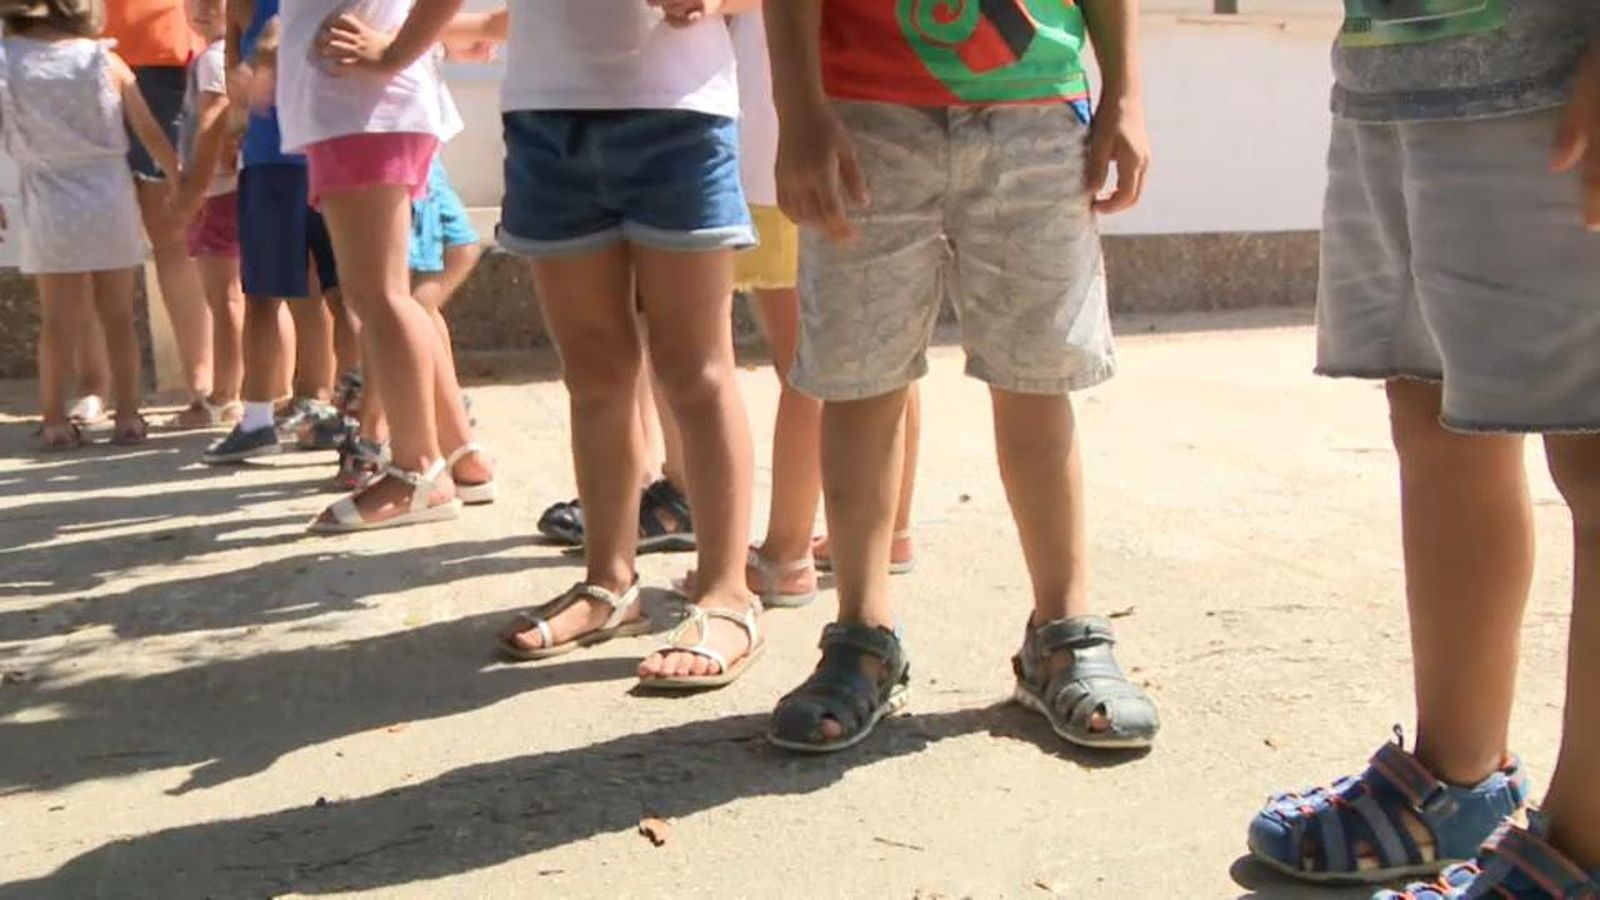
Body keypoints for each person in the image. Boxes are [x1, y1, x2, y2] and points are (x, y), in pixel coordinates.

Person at [1247, 6, 1600, 898]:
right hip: (1400, 69)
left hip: (1555, 74)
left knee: (1597, 459)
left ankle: (1591, 846)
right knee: (1434, 404)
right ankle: (1457, 776)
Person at [762, 0, 1158, 753]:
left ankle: (1064, 633)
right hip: (862, 115)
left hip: (1036, 112)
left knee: (1038, 375)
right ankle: (863, 634)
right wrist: (800, 112)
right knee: (859, 376)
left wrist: (1126, 95)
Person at [470, 0, 767, 690]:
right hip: (546, 115)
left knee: (696, 369)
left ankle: (727, 593)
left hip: (681, 115)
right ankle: (608, 586)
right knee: (594, 371)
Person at [290, 0, 493, 532]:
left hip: (365, 110)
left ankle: (416, 470)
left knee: (379, 297)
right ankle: (452, 459)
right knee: (381, 296)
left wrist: (397, 50)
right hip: (358, 108)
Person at [1, 0, 179, 449]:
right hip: (108, 193)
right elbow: (148, 130)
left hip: (47, 195)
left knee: (57, 320)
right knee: (118, 316)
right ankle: (129, 416)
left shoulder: (7, 60)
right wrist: (180, 180)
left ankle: (56, 419)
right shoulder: (104, 58)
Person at [202, 0, 344, 464]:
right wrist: (235, 127)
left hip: (331, 150)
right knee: (263, 293)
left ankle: (342, 407)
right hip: (270, 158)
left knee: (344, 294)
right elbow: (232, 66)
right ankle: (259, 418)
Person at [330, 155, 497, 503]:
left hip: (387, 146)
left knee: (389, 303)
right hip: (414, 150)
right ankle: (460, 452)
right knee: (404, 303)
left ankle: (378, 438)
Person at [103, 0, 214, 421]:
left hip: (165, 51)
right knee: (97, 240)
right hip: (80, 52)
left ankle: (202, 383)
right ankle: (96, 386)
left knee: (173, 233)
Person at [169, 0, 244, 427]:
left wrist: (192, 190)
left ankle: (224, 395)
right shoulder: (218, 55)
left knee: (225, 297)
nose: (200, 8)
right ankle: (270, 389)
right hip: (229, 188)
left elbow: (216, 120)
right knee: (253, 297)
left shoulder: (215, 58)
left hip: (218, 191)